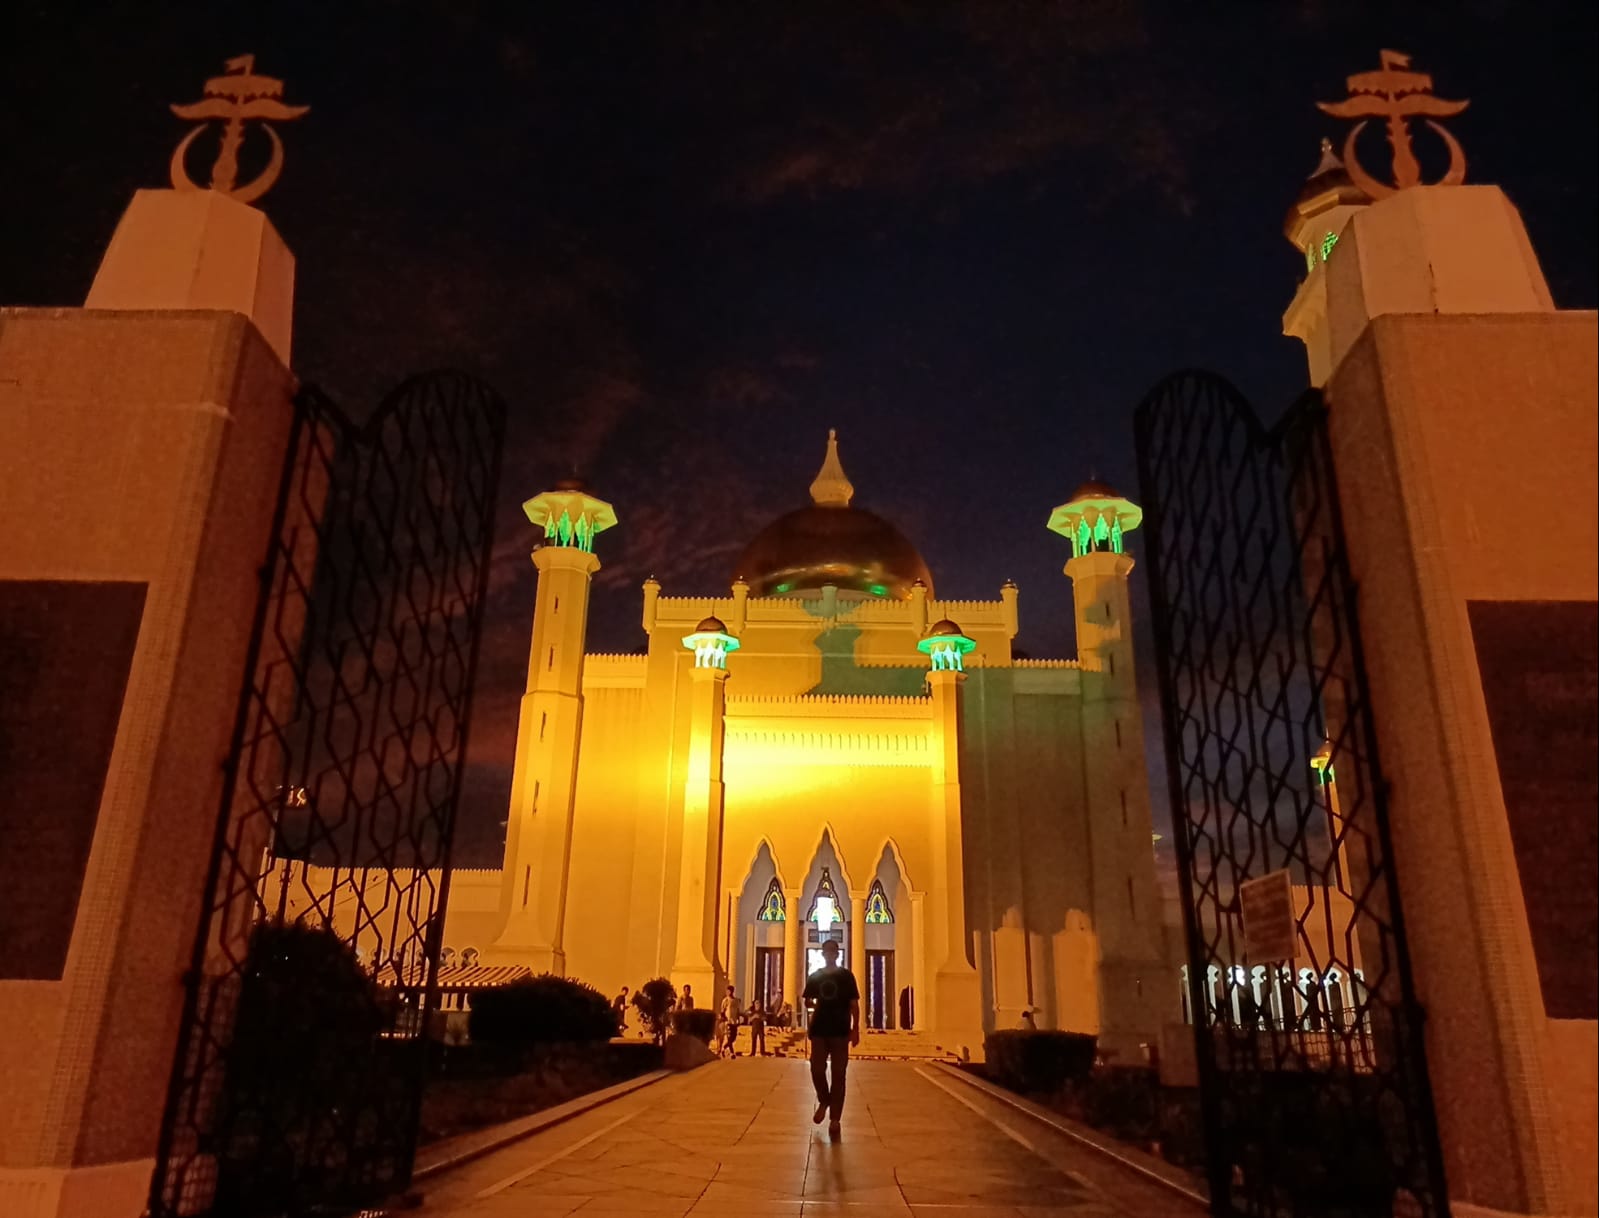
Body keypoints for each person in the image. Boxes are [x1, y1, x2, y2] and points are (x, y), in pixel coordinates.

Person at [802, 938, 860, 1137]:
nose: (829, 954)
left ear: (837, 954)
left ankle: (835, 1118)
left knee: (838, 1074)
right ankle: (824, 1099)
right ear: (823, 954)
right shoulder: (815, 976)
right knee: (817, 1068)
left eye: (832, 951)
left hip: (840, 1030)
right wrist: (812, 1001)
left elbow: (854, 1004)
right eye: (826, 951)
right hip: (819, 1029)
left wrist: (856, 1028)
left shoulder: (846, 977)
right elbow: (807, 1001)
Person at [719, 985, 741, 1058]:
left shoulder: (736, 1000)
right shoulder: (725, 1000)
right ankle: (732, 1053)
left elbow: (738, 1011)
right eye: (727, 991)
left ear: (732, 991)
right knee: (729, 1036)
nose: (728, 992)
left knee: (733, 1037)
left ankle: (723, 1048)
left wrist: (738, 1019)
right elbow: (722, 1010)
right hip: (728, 1021)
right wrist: (724, 1018)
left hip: (734, 1021)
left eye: (729, 991)